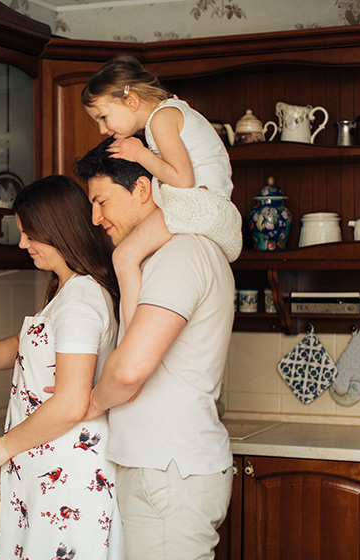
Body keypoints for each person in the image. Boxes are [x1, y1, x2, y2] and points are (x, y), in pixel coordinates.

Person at [0, 175, 123, 560]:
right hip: (51, 465)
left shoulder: (79, 301)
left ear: (59, 230)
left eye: (29, 234)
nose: (23, 244)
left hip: (67, 475)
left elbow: (71, 402)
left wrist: (4, 446)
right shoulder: (69, 290)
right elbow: (33, 344)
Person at [73, 140, 234, 559]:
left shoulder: (182, 252)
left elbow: (130, 370)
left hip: (168, 471)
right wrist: (126, 261)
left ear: (142, 189)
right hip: (163, 468)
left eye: (102, 200)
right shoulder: (155, 256)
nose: (96, 217)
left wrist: (89, 403)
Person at [82, 54, 242, 328]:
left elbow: (182, 179)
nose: (101, 129)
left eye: (104, 117)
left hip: (198, 204)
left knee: (124, 256)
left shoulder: (161, 119)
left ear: (131, 100)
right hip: (210, 205)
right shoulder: (171, 111)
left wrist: (140, 154)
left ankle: (129, 338)